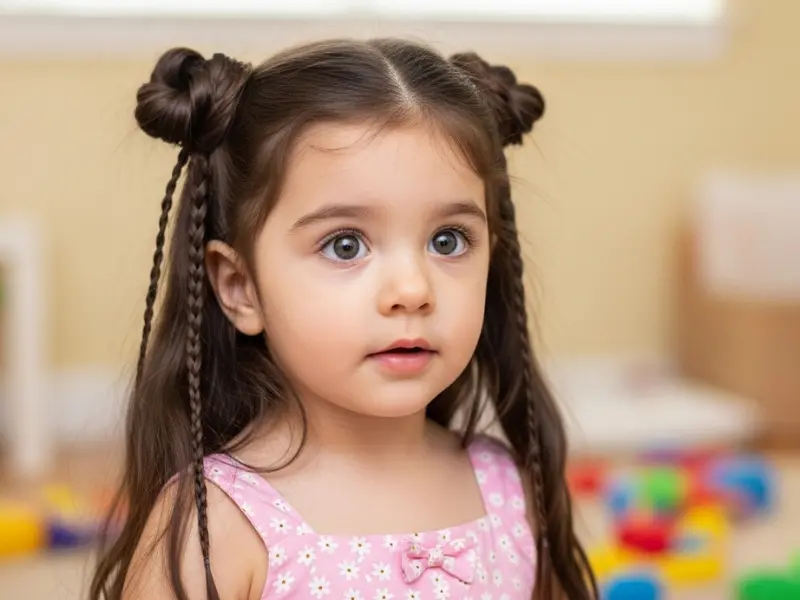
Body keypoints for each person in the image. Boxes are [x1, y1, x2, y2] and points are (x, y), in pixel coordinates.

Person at [90, 38, 596, 600]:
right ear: (240, 287)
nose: (412, 290)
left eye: (448, 240)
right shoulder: (215, 525)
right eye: (345, 245)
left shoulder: (509, 490)